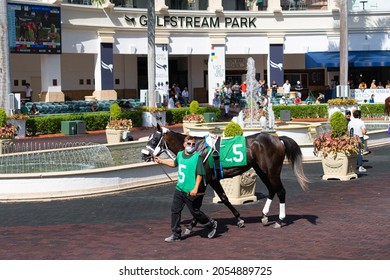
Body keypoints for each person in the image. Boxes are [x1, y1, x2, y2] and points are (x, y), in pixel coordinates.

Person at [154, 136, 218, 242]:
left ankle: (210, 224)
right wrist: (161, 161)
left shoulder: (197, 157)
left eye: (193, 144)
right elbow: (174, 164)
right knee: (175, 211)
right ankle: (176, 234)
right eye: (189, 144)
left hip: (190, 190)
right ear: (184, 145)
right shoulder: (179, 155)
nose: (191, 146)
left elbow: (200, 174)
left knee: (195, 212)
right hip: (179, 189)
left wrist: (195, 188)